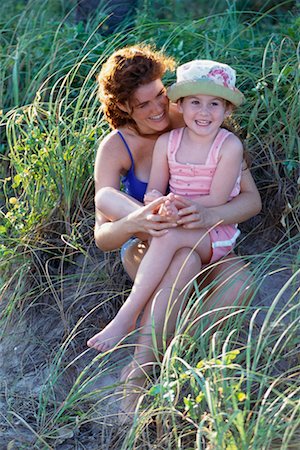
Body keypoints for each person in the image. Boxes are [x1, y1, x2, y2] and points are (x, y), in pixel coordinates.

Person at [87, 44, 261, 417]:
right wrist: (134, 222)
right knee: (180, 262)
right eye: (143, 103)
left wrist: (206, 212)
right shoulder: (116, 148)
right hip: (147, 245)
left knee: (240, 285)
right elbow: (103, 235)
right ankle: (139, 372)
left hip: (205, 234)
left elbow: (249, 200)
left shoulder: (195, 119)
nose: (158, 109)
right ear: (122, 108)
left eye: (161, 95)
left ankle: (179, 352)